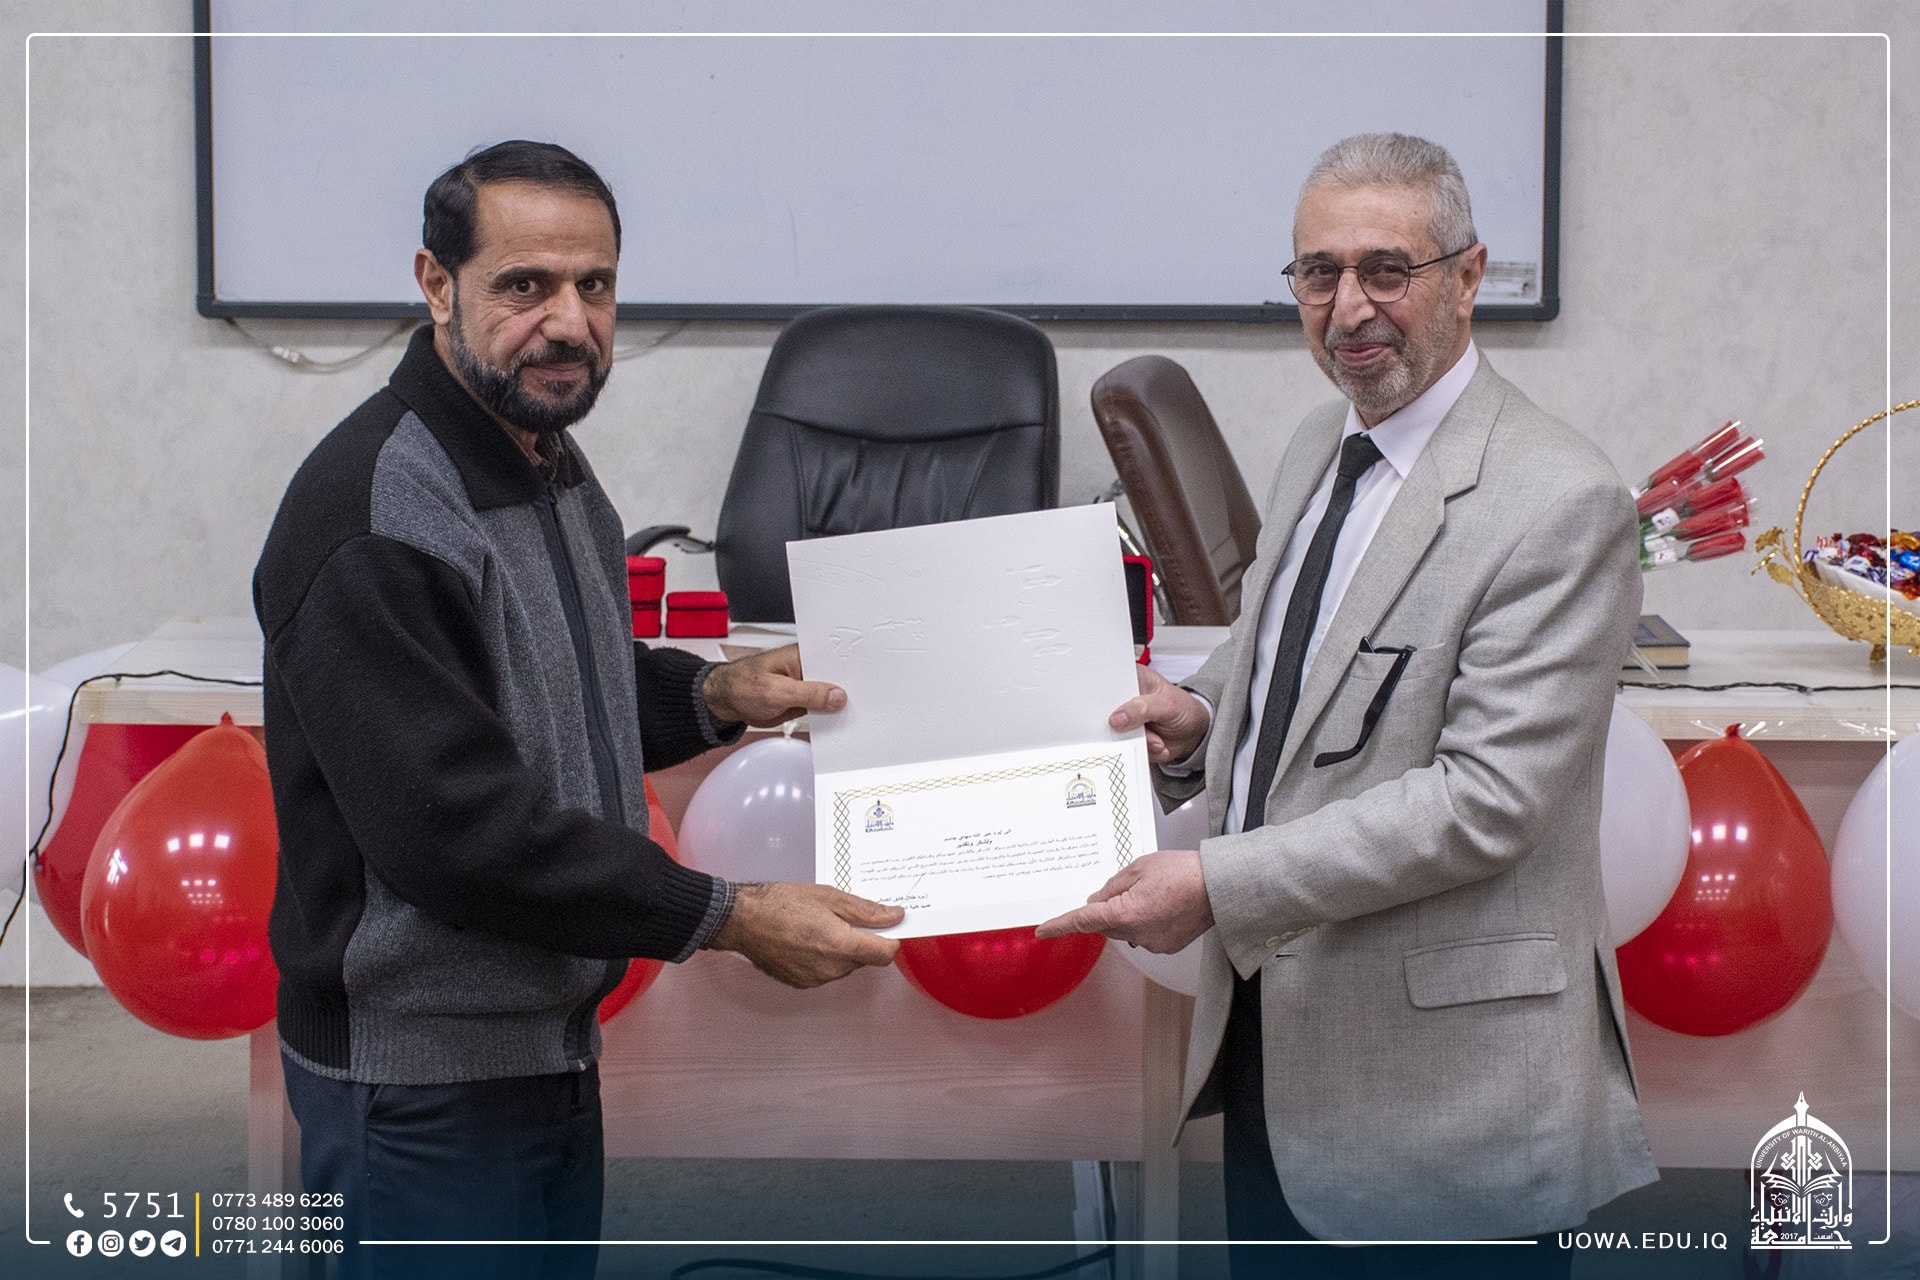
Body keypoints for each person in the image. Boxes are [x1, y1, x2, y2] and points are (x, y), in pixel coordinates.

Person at [252, 140, 903, 1279]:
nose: (568, 322)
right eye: (525, 285)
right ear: (436, 283)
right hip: (421, 1088)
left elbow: (556, 695)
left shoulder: (546, 460)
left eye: (594, 285)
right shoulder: (378, 515)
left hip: (541, 1052)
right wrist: (732, 916)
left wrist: (714, 693)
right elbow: (462, 834)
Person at [1038, 133, 1657, 1277]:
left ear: (1468, 277)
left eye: (1388, 268)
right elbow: (1295, 645)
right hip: (1282, 1049)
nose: (1350, 306)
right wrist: (1201, 712)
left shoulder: (1558, 499)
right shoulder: (1322, 440)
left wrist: (1216, 882)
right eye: (1319, 272)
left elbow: (1486, 800)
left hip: (1452, 1092)